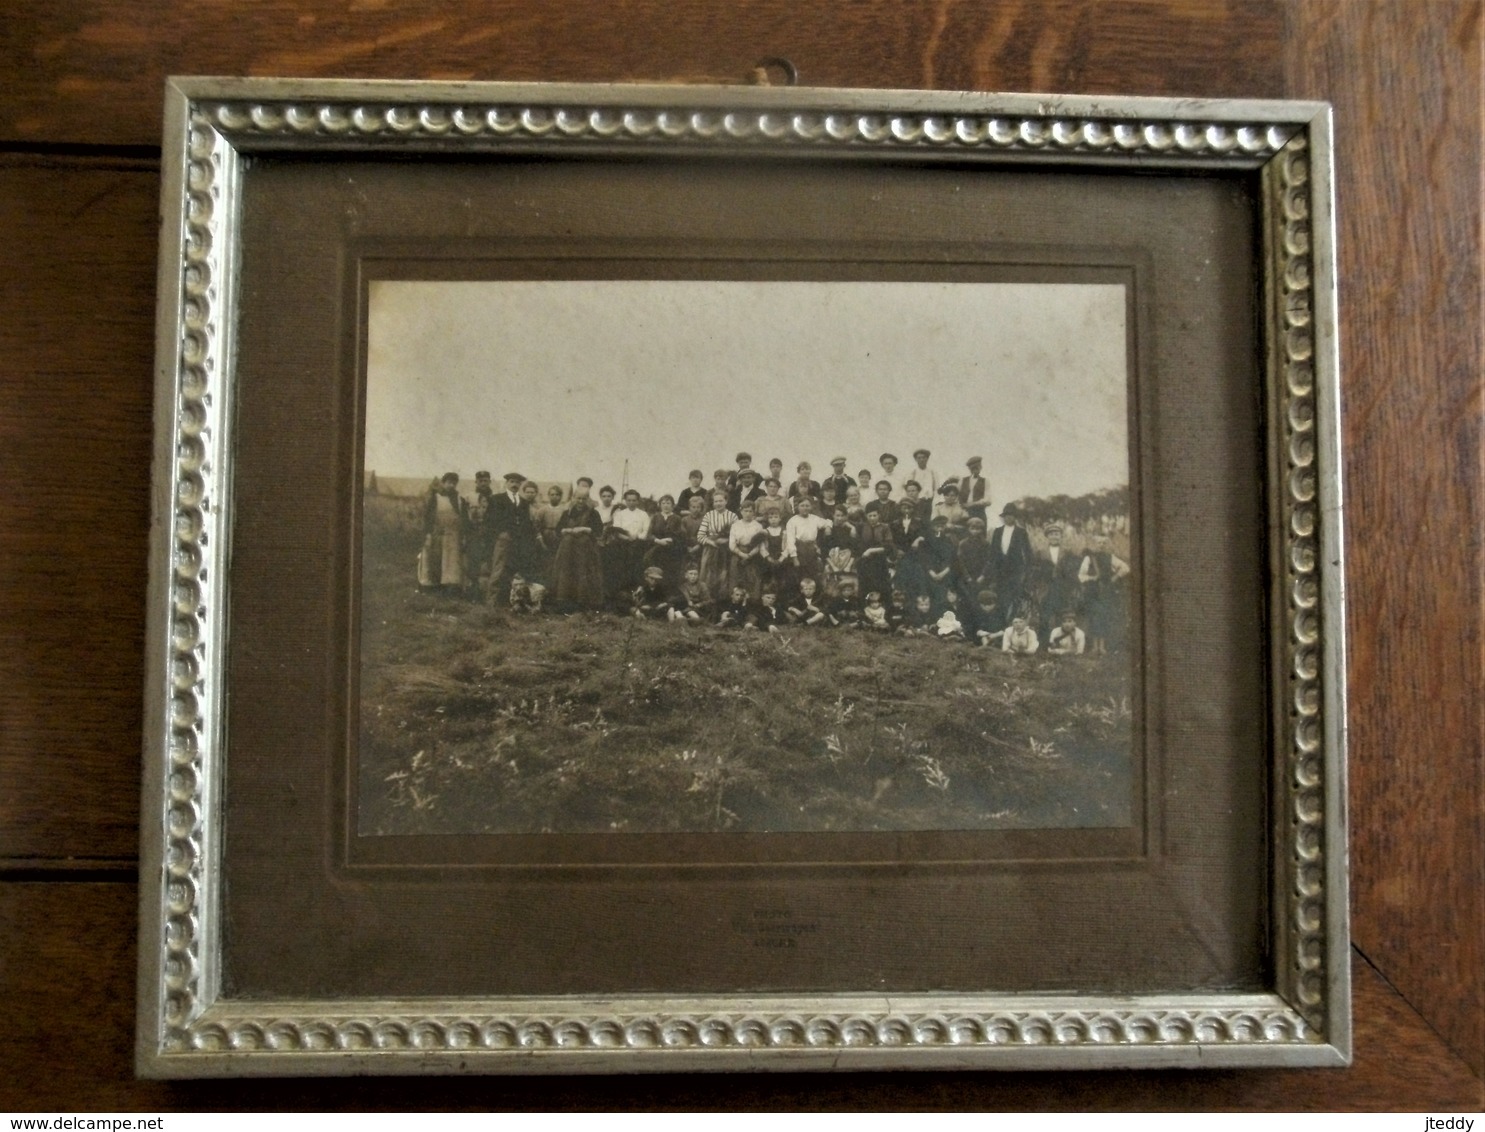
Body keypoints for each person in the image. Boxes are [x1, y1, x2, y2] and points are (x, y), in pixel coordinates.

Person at [551, 477, 605, 610]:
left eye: (584, 499)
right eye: (578, 498)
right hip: (567, 551)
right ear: (573, 498)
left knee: (583, 572)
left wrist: (585, 529)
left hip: (585, 550)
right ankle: (564, 602)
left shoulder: (593, 513)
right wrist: (568, 530)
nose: (581, 502)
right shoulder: (567, 513)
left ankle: (583, 602)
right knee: (566, 572)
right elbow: (558, 530)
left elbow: (599, 531)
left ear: (588, 499)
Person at [1078, 531, 1131, 655]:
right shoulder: (1089, 558)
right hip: (1092, 592)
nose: (1101, 545)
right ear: (1095, 544)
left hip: (1106, 591)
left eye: (1104, 543)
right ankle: (1094, 647)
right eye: (1099, 543)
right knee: (1093, 617)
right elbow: (1081, 575)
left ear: (1107, 545)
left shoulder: (1110, 557)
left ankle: (1102, 647)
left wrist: (1115, 577)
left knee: (1103, 617)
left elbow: (1126, 568)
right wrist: (1091, 579)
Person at [418, 472, 468, 593]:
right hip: (438, 534)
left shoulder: (459, 499)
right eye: (449, 482)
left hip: (454, 535)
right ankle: (432, 586)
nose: (451, 485)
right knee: (435, 560)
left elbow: (464, 518)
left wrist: (464, 535)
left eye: (454, 483)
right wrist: (428, 533)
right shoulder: (435, 497)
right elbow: (428, 517)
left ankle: (451, 587)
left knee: (452, 562)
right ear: (443, 483)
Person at [1033, 520, 1081, 641]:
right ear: (1047, 536)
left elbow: (1073, 570)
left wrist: (1071, 586)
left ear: (1060, 536)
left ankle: (1061, 641)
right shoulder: (1040, 552)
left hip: (1062, 588)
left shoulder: (1067, 552)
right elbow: (1035, 571)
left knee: (1062, 613)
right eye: (1051, 534)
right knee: (1045, 615)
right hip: (1046, 588)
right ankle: (1043, 643)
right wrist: (1039, 588)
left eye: (1057, 534)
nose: (1054, 536)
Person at [486, 471, 527, 600]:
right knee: (498, 569)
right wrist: (500, 534)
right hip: (503, 539)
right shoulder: (497, 499)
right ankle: (491, 601)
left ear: (520, 484)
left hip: (519, 540)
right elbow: (490, 520)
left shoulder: (524, 502)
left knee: (514, 570)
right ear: (506, 483)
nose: (514, 484)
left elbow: (526, 522)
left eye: (517, 482)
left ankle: (510, 601)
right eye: (512, 482)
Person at [987, 504, 1033, 615]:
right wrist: (993, 570)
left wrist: (1027, 570)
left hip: (1015, 569)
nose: (1008, 518)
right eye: (1006, 515)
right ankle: (1001, 621)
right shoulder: (997, 531)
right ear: (1003, 517)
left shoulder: (1021, 532)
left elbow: (1027, 552)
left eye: (1011, 515)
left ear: (1015, 517)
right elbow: (993, 552)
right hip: (1000, 570)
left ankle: (1013, 619)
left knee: (1015, 596)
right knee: (1000, 596)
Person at [608, 488, 652, 596]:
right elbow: (616, 530)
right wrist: (627, 538)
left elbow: (646, 531)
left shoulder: (643, 514)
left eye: (634, 500)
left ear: (638, 501)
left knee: (637, 563)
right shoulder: (620, 514)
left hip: (639, 543)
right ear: (625, 501)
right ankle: (622, 591)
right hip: (623, 543)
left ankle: (636, 589)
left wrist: (637, 537)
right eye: (629, 500)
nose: (631, 503)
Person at [698, 491, 739, 600]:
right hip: (710, 549)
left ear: (726, 501)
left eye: (721, 501)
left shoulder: (732, 516)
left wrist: (725, 540)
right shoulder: (708, 515)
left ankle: (723, 599)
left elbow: (738, 535)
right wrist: (712, 542)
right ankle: (707, 599)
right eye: (716, 501)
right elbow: (700, 536)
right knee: (708, 575)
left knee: (724, 574)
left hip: (727, 550)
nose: (718, 503)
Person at [783, 495, 832, 585]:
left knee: (813, 574)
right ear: (797, 507)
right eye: (802, 505)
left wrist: (828, 527)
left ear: (811, 507)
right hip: (799, 551)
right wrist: (794, 558)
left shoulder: (814, 518)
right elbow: (790, 541)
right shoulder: (792, 521)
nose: (805, 508)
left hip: (811, 550)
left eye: (807, 506)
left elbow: (828, 521)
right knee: (800, 576)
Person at [890, 498, 931, 598]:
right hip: (901, 554)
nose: (907, 511)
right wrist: (897, 550)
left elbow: (926, 535)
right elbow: (891, 540)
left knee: (917, 575)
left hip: (915, 554)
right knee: (901, 576)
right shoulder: (895, 523)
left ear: (913, 509)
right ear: (900, 509)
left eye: (909, 508)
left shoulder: (919, 522)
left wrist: (918, 540)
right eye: (904, 508)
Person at [464, 471, 495, 595]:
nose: (483, 483)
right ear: (476, 482)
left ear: (489, 482)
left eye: (485, 480)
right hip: (474, 532)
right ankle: (473, 590)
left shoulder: (495, 497)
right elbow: (464, 516)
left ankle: (489, 590)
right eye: (480, 480)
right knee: (473, 560)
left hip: (490, 533)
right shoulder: (469, 497)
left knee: (490, 560)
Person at [728, 500, 767, 599]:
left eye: (750, 511)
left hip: (753, 555)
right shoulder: (735, 525)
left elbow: (759, 545)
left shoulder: (758, 526)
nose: (748, 514)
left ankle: (751, 603)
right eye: (745, 511)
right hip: (738, 555)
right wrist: (742, 554)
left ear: (754, 512)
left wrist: (749, 555)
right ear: (741, 511)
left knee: (752, 580)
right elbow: (732, 544)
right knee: (736, 579)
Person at [644, 493, 686, 583]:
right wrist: (658, 541)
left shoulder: (677, 518)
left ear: (673, 505)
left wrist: (671, 539)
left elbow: (682, 535)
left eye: (668, 503)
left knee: (670, 573)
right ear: (660, 505)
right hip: (656, 550)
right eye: (663, 503)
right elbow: (649, 535)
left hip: (672, 550)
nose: (665, 506)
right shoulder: (655, 517)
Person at [857, 504, 895, 600]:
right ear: (866, 516)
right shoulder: (862, 527)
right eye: (870, 516)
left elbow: (888, 546)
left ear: (879, 515)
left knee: (882, 586)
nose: (872, 518)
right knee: (865, 586)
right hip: (865, 560)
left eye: (875, 515)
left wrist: (871, 550)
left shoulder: (885, 527)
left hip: (880, 560)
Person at [958, 456, 990, 525]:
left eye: (978, 467)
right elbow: (957, 495)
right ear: (969, 469)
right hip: (964, 512)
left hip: (979, 512)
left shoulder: (985, 481)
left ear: (981, 467)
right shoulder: (962, 481)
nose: (975, 470)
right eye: (973, 468)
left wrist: (973, 504)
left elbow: (988, 500)